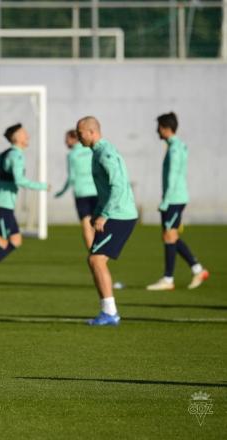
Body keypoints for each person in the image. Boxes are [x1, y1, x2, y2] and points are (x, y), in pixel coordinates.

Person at [76, 117, 137, 326]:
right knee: (94, 260)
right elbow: (105, 189)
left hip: (120, 215)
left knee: (96, 260)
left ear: (92, 132)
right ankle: (108, 311)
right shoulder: (97, 152)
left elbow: (118, 186)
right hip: (115, 213)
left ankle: (110, 313)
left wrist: (105, 214)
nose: (78, 136)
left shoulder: (105, 153)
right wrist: (98, 211)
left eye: (80, 132)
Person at [0, 124, 48, 294]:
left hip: (3, 203)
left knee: (16, 240)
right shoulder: (17, 155)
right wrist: (41, 186)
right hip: (3, 205)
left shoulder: (5, 154)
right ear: (16, 138)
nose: (28, 135)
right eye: (24, 133)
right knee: (2, 241)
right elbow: (19, 180)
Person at [146, 112, 209, 291]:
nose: (156, 131)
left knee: (169, 236)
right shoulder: (178, 145)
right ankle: (198, 270)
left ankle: (168, 279)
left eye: (158, 127)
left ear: (166, 128)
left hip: (173, 199)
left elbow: (173, 176)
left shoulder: (174, 148)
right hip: (177, 198)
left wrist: (165, 201)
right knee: (171, 236)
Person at [55, 129, 98, 249]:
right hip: (96, 190)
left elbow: (71, 177)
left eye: (67, 139)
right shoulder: (91, 150)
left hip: (81, 192)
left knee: (86, 223)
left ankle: (92, 252)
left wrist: (61, 192)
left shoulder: (72, 155)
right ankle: (99, 250)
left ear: (74, 139)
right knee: (96, 223)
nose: (65, 142)